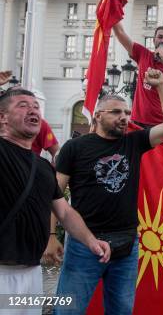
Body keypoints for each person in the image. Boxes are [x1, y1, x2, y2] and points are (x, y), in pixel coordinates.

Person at [53, 69, 163, 314]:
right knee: (68, 310)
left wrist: (162, 84)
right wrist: (50, 235)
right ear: (98, 115)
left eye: (126, 113)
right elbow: (55, 194)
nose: (124, 117)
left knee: (121, 310)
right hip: (84, 242)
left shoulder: (134, 142)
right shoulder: (74, 148)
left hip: (126, 243)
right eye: (116, 112)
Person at [0, 88, 110, 309]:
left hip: (31, 273)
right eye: (22, 105)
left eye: (36, 107)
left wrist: (91, 241)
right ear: (2, 117)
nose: (33, 110)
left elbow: (65, 212)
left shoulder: (42, 167)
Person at [112, 22, 163, 145]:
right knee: (137, 161)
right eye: (160, 37)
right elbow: (120, 33)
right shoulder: (143, 54)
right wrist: (112, 8)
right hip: (139, 122)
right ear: (154, 40)